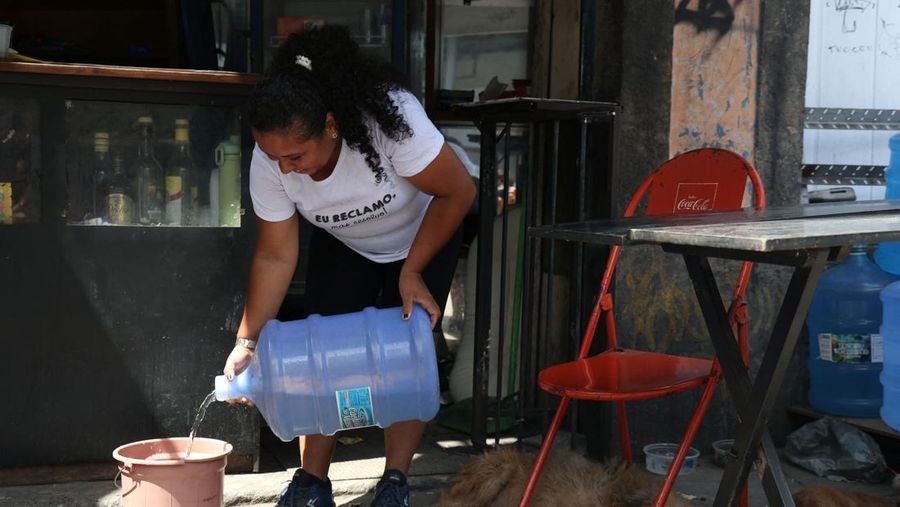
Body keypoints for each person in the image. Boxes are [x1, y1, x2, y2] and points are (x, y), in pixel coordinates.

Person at [221, 25, 475, 507]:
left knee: (406, 353)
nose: (286, 168)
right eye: (276, 158)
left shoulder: (391, 119)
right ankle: (312, 482)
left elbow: (459, 190)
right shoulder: (271, 159)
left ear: (332, 125)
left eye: (295, 155)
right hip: (348, 242)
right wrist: (247, 341)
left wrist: (412, 269)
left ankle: (395, 482)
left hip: (428, 229)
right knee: (321, 352)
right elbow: (275, 255)